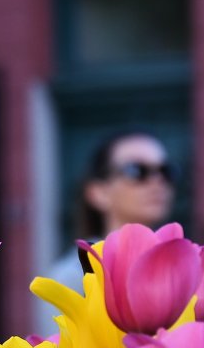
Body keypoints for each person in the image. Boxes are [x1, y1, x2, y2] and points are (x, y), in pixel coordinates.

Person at [43, 129, 174, 315]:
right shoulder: (73, 276)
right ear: (98, 192)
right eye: (136, 171)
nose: (157, 181)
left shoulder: (176, 267)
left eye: (165, 171)